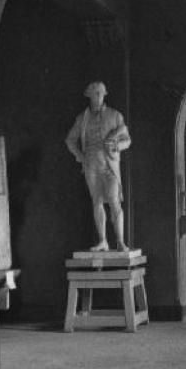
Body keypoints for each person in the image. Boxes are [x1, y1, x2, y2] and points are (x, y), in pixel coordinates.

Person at [65, 81, 131, 252]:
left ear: (104, 94)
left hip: (110, 165)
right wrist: (80, 156)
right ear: (89, 95)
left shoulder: (115, 115)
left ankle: (121, 242)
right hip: (91, 165)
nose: (98, 96)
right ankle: (103, 241)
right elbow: (70, 140)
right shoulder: (82, 118)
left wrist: (117, 146)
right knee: (97, 201)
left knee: (114, 201)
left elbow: (128, 140)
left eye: (100, 93)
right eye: (95, 93)